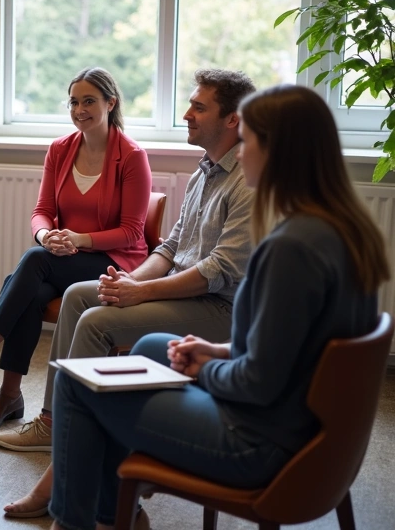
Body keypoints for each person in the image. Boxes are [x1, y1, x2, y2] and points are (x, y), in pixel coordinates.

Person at [44, 83, 388, 530]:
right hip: (300, 427)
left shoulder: (290, 250)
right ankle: (115, 516)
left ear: (279, 151)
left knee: (80, 386)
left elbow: (255, 385)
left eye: (251, 140)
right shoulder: (340, 232)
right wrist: (217, 352)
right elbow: (299, 352)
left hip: (254, 444)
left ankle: (79, 521)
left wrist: (203, 369)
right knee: (151, 345)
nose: (241, 152)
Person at [1, 69, 257, 518]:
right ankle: (51, 419)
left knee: (96, 320)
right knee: (81, 295)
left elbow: (220, 271)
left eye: (199, 107)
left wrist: (143, 291)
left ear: (233, 119)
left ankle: (60, 468)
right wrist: (133, 283)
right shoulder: (205, 172)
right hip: (179, 288)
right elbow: (173, 246)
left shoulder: (246, 183)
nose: (186, 114)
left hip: (217, 308)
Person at [0, 67, 152, 431]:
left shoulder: (131, 156)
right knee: (28, 287)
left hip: (114, 262)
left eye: (89, 101)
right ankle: (9, 396)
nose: (80, 109)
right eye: (74, 102)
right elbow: (42, 212)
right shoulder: (60, 149)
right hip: (61, 259)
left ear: (111, 103)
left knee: (30, 267)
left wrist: (78, 240)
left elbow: (131, 232)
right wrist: (45, 236)